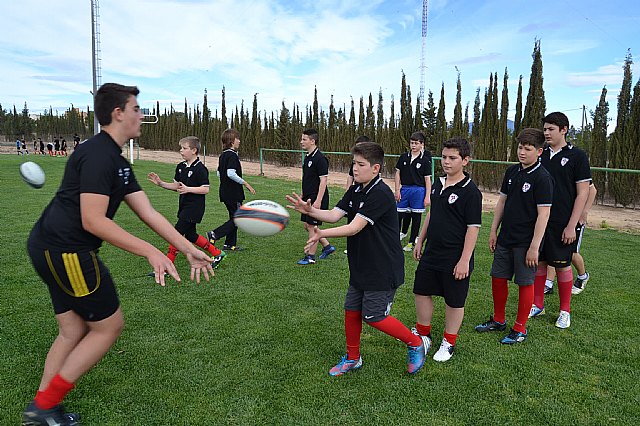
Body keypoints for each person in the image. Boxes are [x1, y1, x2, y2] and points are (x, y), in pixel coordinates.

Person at [23, 83, 214, 426]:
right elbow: (93, 220)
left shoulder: (117, 160)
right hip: (67, 250)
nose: (141, 115)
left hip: (50, 246)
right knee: (109, 327)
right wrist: (150, 252)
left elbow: (148, 212)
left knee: (72, 331)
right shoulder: (98, 155)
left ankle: (43, 407)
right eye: (136, 109)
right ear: (118, 113)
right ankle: (43, 408)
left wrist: (189, 249)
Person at [286, 141, 428, 376]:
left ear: (375, 168)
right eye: (354, 163)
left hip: (383, 267)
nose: (355, 168)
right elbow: (334, 214)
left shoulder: (380, 193)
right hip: (362, 264)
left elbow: (354, 227)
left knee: (374, 316)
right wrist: (310, 211)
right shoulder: (356, 189)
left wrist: (320, 233)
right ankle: (353, 358)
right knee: (351, 309)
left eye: (361, 164)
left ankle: (416, 342)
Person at [475, 129, 553, 344]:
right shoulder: (511, 172)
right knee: (498, 278)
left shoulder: (543, 178)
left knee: (524, 283)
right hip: (505, 237)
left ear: (539, 151)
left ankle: (520, 329)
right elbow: (502, 202)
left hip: (526, 242)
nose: (522, 152)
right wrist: (493, 230)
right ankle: (498, 320)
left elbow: (544, 214)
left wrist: (534, 247)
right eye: (520, 147)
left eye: (527, 149)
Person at [412, 137, 482, 362]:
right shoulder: (438, 183)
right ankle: (423, 334)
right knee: (421, 291)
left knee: (454, 301)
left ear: (465, 161)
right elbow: (432, 213)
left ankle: (448, 342)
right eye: (443, 157)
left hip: (455, 256)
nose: (446, 162)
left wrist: (464, 260)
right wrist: (420, 240)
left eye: (452, 158)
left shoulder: (471, 191)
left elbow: (473, 228)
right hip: (433, 251)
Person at [529, 112, 591, 329]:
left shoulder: (577, 156)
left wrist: (572, 225)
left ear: (564, 130)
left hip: (563, 222)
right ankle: (538, 304)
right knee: (540, 263)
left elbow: (583, 193)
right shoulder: (540, 154)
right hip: (539, 220)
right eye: (545, 129)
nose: (546, 133)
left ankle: (565, 311)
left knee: (563, 265)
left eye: (551, 129)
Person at [147, 136, 226, 273]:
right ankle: (217, 253)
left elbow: (205, 189)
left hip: (194, 208)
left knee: (176, 234)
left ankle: (167, 267)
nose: (181, 151)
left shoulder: (200, 169)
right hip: (183, 205)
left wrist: (188, 189)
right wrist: (160, 183)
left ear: (194, 150)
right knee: (190, 235)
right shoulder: (181, 167)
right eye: (181, 148)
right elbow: (177, 186)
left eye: (184, 148)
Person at [206, 128, 256, 252]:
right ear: (232, 141)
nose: (239, 141)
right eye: (237, 139)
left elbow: (219, 173)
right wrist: (245, 183)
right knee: (239, 217)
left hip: (225, 192)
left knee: (234, 217)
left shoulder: (223, 155)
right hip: (233, 193)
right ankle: (215, 234)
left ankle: (229, 244)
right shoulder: (232, 155)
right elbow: (230, 173)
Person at [544, 182, 597, 295]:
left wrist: (584, 212)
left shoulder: (578, 171)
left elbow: (592, 190)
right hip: (557, 217)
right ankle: (549, 282)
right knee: (551, 249)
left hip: (574, 218)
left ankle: (582, 276)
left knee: (571, 252)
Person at [296, 128, 335, 265]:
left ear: (312, 141)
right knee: (307, 225)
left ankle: (310, 257)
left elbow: (323, 181)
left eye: (304, 139)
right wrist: (303, 193)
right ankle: (327, 247)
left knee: (312, 226)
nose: (301, 142)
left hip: (316, 197)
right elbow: (307, 178)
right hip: (308, 197)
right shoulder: (308, 157)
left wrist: (318, 201)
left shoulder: (320, 158)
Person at [395, 131, 432, 252]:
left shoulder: (425, 160)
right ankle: (395, 238)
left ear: (422, 144)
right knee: (398, 215)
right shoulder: (403, 157)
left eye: (416, 143)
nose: (413, 145)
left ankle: (411, 242)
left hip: (418, 191)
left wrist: (427, 196)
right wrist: (397, 190)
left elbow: (427, 180)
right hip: (404, 189)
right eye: (412, 143)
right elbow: (397, 173)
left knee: (416, 216)